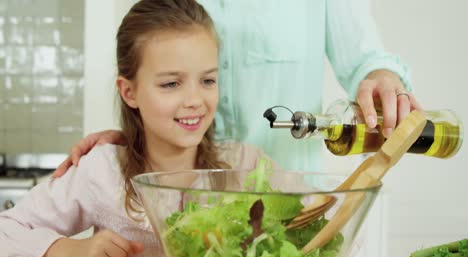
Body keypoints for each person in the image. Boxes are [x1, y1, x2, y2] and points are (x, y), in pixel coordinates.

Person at [0, 1, 272, 257]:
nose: (195, 100)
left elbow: (312, 217)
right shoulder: (103, 171)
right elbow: (6, 228)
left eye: (208, 80)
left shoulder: (246, 166)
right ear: (130, 92)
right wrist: (63, 251)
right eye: (171, 84)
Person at [53, 0, 422, 177]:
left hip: (288, 214)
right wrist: (136, 137)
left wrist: (383, 80)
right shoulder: (99, 176)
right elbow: (154, 69)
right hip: (188, 216)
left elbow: (367, 60)